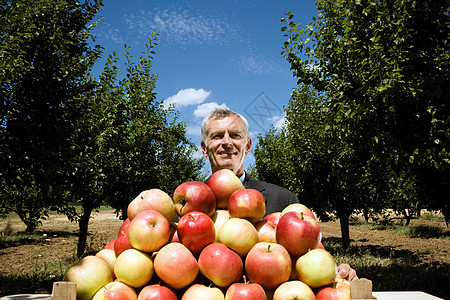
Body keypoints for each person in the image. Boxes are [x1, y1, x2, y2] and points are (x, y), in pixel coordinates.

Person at [200, 108, 358, 281]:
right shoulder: (185, 211)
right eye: (217, 136)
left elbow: (311, 256)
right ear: (204, 148)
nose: (227, 142)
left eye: (235, 135)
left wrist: (337, 271)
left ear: (248, 146)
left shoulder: (284, 201)